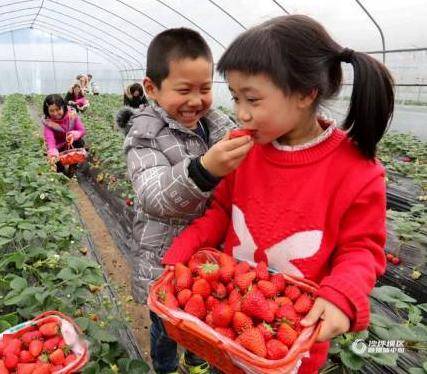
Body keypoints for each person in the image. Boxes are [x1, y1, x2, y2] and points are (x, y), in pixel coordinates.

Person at [162, 15, 394, 373]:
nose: (240, 113)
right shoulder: (244, 150)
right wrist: (185, 249)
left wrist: (342, 295)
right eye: (236, 97)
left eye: (252, 99)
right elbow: (223, 210)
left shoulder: (357, 172)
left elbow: (361, 248)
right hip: (229, 324)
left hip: (289, 342)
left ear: (305, 93)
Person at [117, 27, 252, 374]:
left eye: (205, 89)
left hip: (210, 254)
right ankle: (164, 367)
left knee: (204, 317)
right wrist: (203, 170)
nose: (196, 100)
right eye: (184, 90)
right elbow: (153, 196)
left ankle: (196, 359)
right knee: (167, 324)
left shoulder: (217, 124)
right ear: (151, 89)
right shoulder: (144, 135)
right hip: (163, 259)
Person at [42, 94, 86, 176]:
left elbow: (82, 130)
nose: (55, 113)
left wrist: (73, 135)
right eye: (51, 111)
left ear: (63, 107)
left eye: (58, 109)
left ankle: (72, 167)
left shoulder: (72, 115)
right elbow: (51, 142)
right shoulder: (48, 123)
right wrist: (53, 154)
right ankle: (62, 172)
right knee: (59, 168)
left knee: (80, 142)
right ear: (47, 111)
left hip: (70, 143)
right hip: (58, 147)